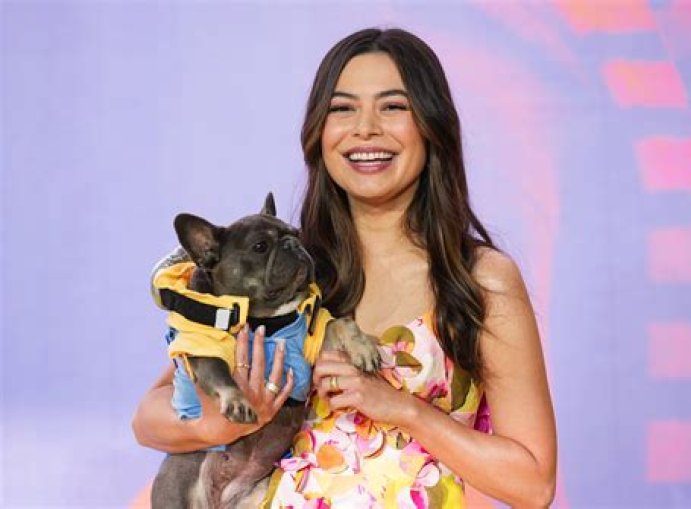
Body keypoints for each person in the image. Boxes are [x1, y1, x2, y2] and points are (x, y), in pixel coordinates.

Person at [133, 27, 556, 507]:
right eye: (343, 109)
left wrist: (403, 409)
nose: (365, 129)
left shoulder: (478, 278)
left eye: (393, 107)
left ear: (431, 125)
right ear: (319, 132)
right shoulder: (290, 275)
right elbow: (148, 418)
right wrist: (222, 423)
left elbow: (534, 484)